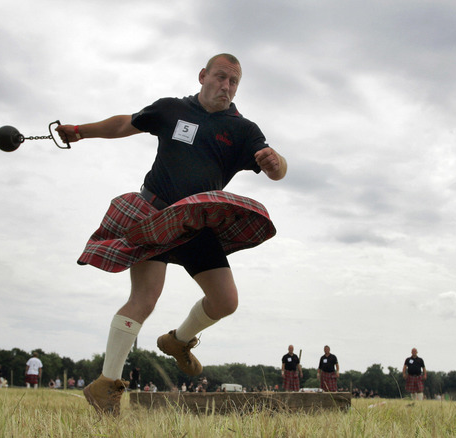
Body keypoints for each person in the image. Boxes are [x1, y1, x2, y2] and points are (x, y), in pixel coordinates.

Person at [55, 53, 287, 416]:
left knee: (226, 301)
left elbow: (275, 167)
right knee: (144, 301)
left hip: (198, 222)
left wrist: (276, 163)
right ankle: (105, 385)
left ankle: (177, 342)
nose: (226, 86)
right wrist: (81, 131)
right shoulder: (170, 109)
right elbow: (123, 125)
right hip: (156, 216)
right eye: (220, 77)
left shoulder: (242, 130)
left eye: (233, 82)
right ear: (202, 76)